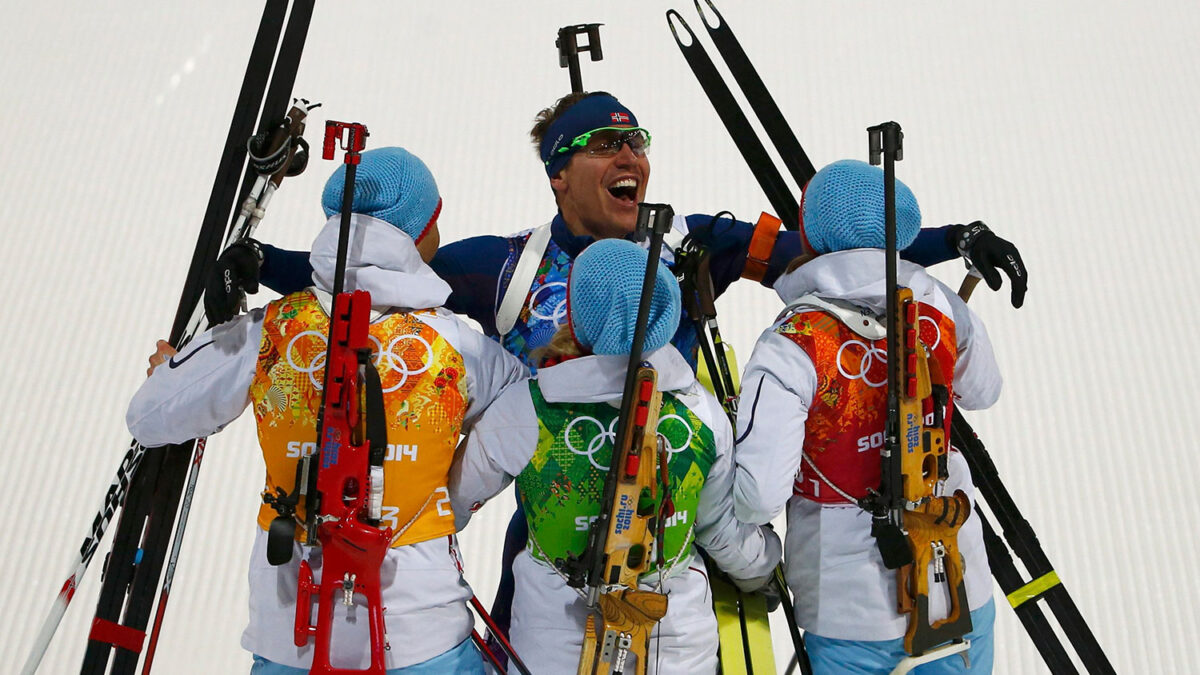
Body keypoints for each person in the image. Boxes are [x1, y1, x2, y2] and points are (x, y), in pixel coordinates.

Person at [206, 90, 1027, 644]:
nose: (630, 152)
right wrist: (262, 263)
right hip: (553, 513)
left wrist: (952, 241)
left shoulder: (688, 242)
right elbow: (366, 273)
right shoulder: (501, 266)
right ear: (560, 171)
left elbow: (843, 249)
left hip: (682, 506)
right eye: (606, 142)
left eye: (637, 139)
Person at [127, 147, 527, 674]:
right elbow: (527, 414)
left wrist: (173, 374)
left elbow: (150, 417)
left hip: (290, 630)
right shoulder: (461, 348)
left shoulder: (268, 332)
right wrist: (449, 496)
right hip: (422, 633)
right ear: (425, 230)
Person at [448, 239, 782, 675]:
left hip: (550, 650)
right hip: (677, 649)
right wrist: (762, 565)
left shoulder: (524, 409)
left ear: (578, 313)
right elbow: (720, 528)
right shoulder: (700, 414)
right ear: (665, 312)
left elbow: (449, 505)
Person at [731, 159, 1001, 674]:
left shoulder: (792, 343)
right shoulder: (936, 302)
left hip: (849, 611)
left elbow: (758, 494)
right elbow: (983, 390)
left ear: (810, 236)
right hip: (959, 583)